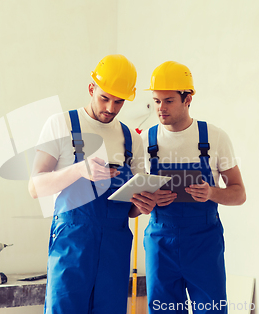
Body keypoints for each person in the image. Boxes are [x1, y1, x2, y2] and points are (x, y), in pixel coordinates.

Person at [28, 54, 157, 314]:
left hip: (115, 247)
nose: (111, 108)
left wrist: (143, 205)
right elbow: (35, 187)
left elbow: (130, 208)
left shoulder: (132, 139)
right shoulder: (61, 124)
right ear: (91, 88)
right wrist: (79, 169)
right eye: (104, 98)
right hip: (72, 244)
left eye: (119, 101)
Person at [132, 61, 246, 313]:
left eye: (169, 100)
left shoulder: (214, 138)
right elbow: (135, 200)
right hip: (161, 243)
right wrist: (146, 203)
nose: (161, 108)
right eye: (156, 101)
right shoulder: (145, 140)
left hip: (204, 244)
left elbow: (239, 193)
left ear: (188, 98)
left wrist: (212, 193)